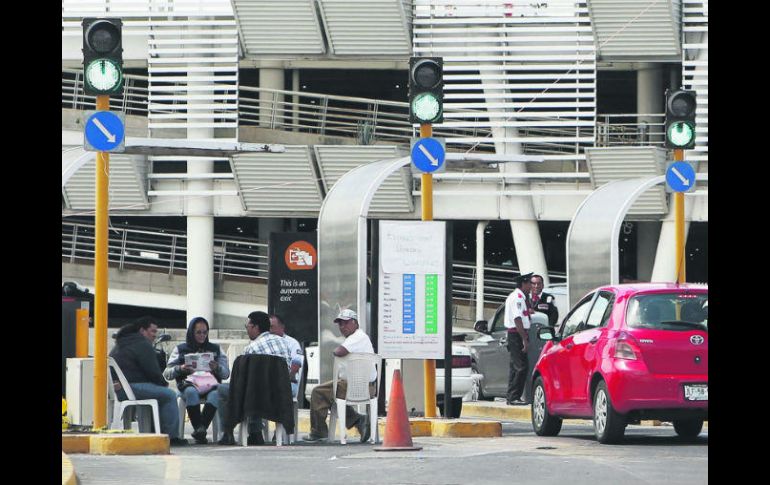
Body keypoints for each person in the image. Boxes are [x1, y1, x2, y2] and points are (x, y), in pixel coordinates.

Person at [217, 311, 292, 446]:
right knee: (253, 388)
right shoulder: (284, 343)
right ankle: (255, 432)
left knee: (225, 389)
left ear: (256, 327)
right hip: (281, 394)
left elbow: (242, 380)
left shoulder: (250, 349)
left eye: (247, 326)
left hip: (255, 396)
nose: (247, 330)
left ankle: (229, 432)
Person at [109, 316, 187, 446]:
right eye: (152, 331)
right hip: (130, 389)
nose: (154, 335)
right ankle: (171, 437)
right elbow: (153, 372)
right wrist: (164, 384)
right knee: (168, 395)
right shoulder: (142, 344)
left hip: (118, 390)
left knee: (157, 392)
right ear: (142, 330)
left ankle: (154, 431)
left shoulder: (121, 343)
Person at [303, 309, 373, 443]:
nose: (342, 327)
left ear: (355, 323)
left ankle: (318, 432)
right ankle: (359, 420)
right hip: (361, 385)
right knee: (330, 395)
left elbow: (339, 352)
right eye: (340, 324)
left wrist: (336, 349)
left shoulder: (357, 337)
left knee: (318, 392)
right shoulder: (360, 337)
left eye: (346, 323)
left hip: (354, 385)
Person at [164, 316, 230, 444]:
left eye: (205, 332)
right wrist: (181, 368)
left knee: (216, 394)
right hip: (188, 386)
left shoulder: (216, 349)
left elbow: (226, 374)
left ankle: (201, 429)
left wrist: (217, 368)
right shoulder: (180, 349)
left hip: (210, 386)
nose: (202, 336)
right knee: (191, 392)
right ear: (191, 332)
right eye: (198, 332)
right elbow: (167, 373)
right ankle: (199, 429)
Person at [504, 272, 533, 405]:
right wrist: (524, 339)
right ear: (523, 283)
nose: (531, 287)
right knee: (521, 367)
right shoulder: (517, 298)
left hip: (517, 333)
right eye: (529, 284)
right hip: (516, 334)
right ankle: (514, 397)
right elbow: (517, 319)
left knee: (515, 366)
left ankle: (511, 396)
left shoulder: (521, 297)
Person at [269, 313, 304, 398]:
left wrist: (284, 380)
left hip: (286, 382)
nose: (270, 330)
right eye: (268, 327)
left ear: (282, 327)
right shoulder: (266, 342)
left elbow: (296, 364)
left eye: (272, 326)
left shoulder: (292, 343)